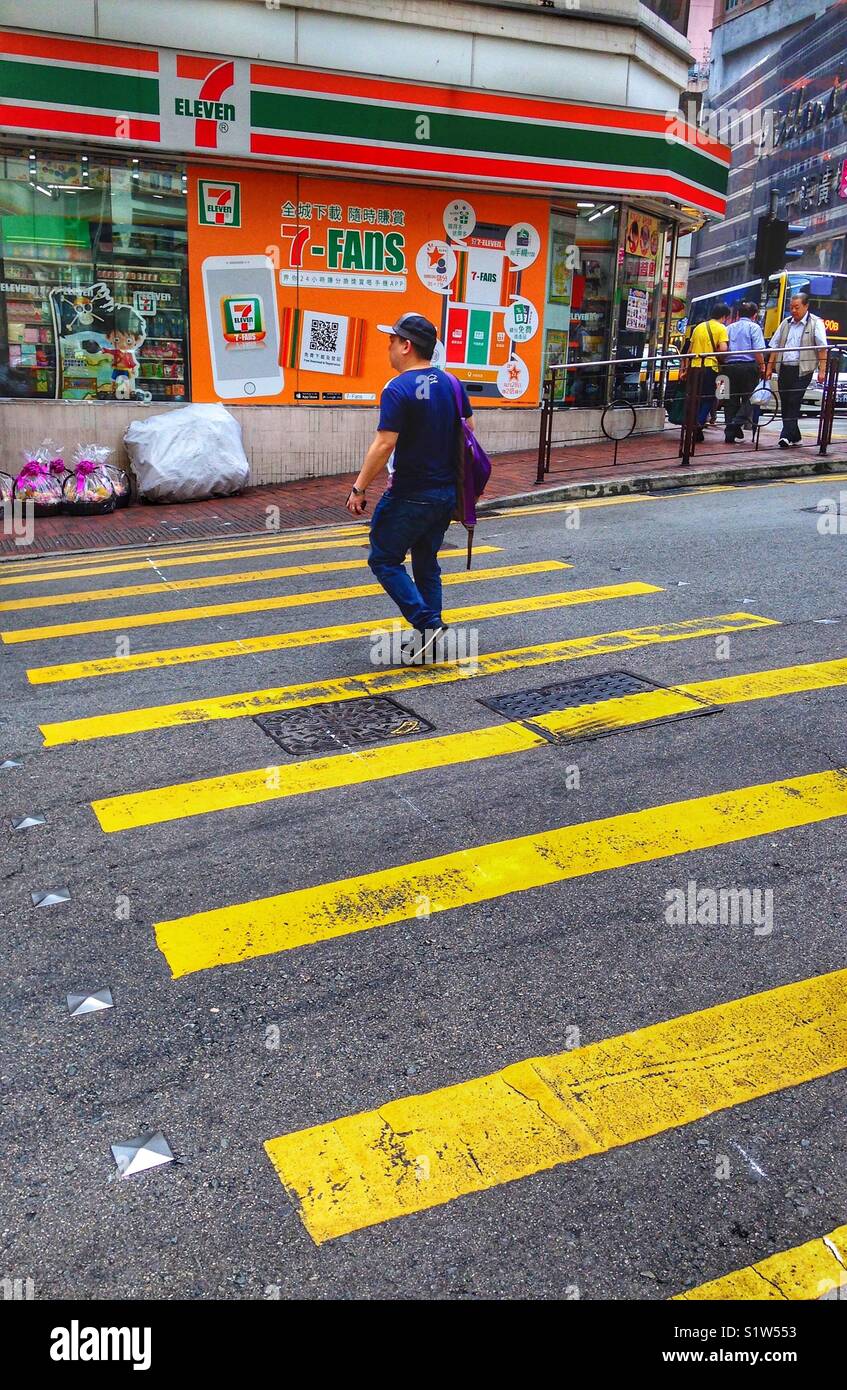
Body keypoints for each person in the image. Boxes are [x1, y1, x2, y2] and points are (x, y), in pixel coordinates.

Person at [345, 313, 473, 660]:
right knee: (426, 562)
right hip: (445, 493)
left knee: (384, 559)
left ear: (406, 345)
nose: (388, 346)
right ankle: (428, 641)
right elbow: (468, 432)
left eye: (392, 339)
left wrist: (358, 488)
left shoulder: (397, 388)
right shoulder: (452, 384)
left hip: (409, 494)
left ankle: (426, 622)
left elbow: (385, 443)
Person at [765, 291, 828, 447]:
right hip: (784, 369)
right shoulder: (786, 322)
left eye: (797, 307)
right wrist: (769, 367)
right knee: (785, 401)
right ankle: (796, 436)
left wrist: (822, 370)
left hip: (803, 370)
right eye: (791, 307)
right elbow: (775, 345)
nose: (793, 311)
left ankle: (785, 436)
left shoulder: (815, 323)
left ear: (806, 306)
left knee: (794, 400)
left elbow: (822, 348)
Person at [686, 302, 730, 442]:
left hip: (694, 366)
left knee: (695, 397)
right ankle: (698, 423)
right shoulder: (721, 328)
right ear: (723, 316)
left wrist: (685, 369)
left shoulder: (699, 327)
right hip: (710, 367)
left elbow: (690, 350)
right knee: (709, 398)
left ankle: (694, 427)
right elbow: (723, 349)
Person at [723, 301, 766, 442]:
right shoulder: (754, 327)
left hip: (729, 367)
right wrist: (763, 366)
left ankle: (730, 433)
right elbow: (758, 350)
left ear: (738, 314)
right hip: (748, 367)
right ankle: (736, 424)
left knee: (730, 400)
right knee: (751, 399)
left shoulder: (728, 328)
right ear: (754, 315)